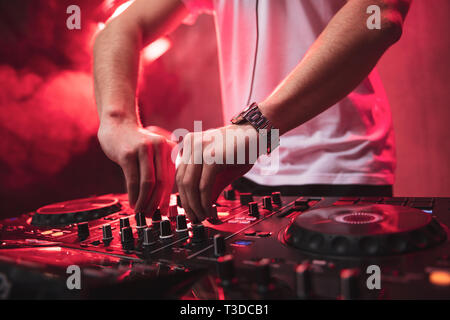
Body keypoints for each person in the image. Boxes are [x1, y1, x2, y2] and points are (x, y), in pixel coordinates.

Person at [93, 0, 412, 223]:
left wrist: (255, 127)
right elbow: (120, 26)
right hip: (243, 172)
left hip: (339, 171)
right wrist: (117, 120)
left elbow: (380, 13)